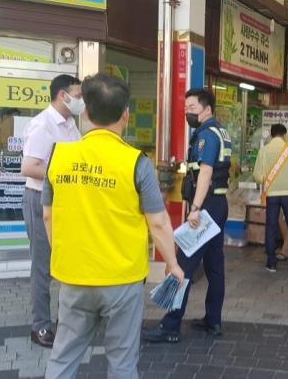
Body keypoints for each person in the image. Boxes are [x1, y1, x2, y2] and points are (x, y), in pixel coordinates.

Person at [42, 73, 184, 378]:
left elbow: (48, 216)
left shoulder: (59, 156)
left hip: (74, 276)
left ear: (85, 112)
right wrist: (172, 264)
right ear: (126, 115)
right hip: (123, 279)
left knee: (63, 357)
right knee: (122, 362)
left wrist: (64, 255)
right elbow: (158, 223)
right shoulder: (136, 162)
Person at [142, 88, 231, 343]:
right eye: (186, 108)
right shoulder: (220, 131)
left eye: (192, 108)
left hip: (206, 207)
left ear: (207, 109)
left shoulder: (207, 135)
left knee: (183, 264)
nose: (188, 113)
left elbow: (205, 173)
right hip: (218, 205)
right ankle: (213, 320)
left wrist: (195, 209)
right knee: (214, 265)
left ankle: (170, 326)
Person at [20, 74, 83, 348]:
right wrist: (64, 173)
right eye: (77, 95)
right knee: (42, 267)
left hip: (64, 201)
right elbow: (28, 167)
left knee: (65, 263)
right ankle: (41, 327)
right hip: (39, 200)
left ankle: (65, 322)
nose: (81, 101)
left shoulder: (71, 125)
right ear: (62, 95)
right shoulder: (42, 124)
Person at [253, 123, 288, 272]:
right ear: (285, 135)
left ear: (271, 135)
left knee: (271, 227)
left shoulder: (264, 151)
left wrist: (266, 179)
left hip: (272, 194)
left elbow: (257, 176)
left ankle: (271, 263)